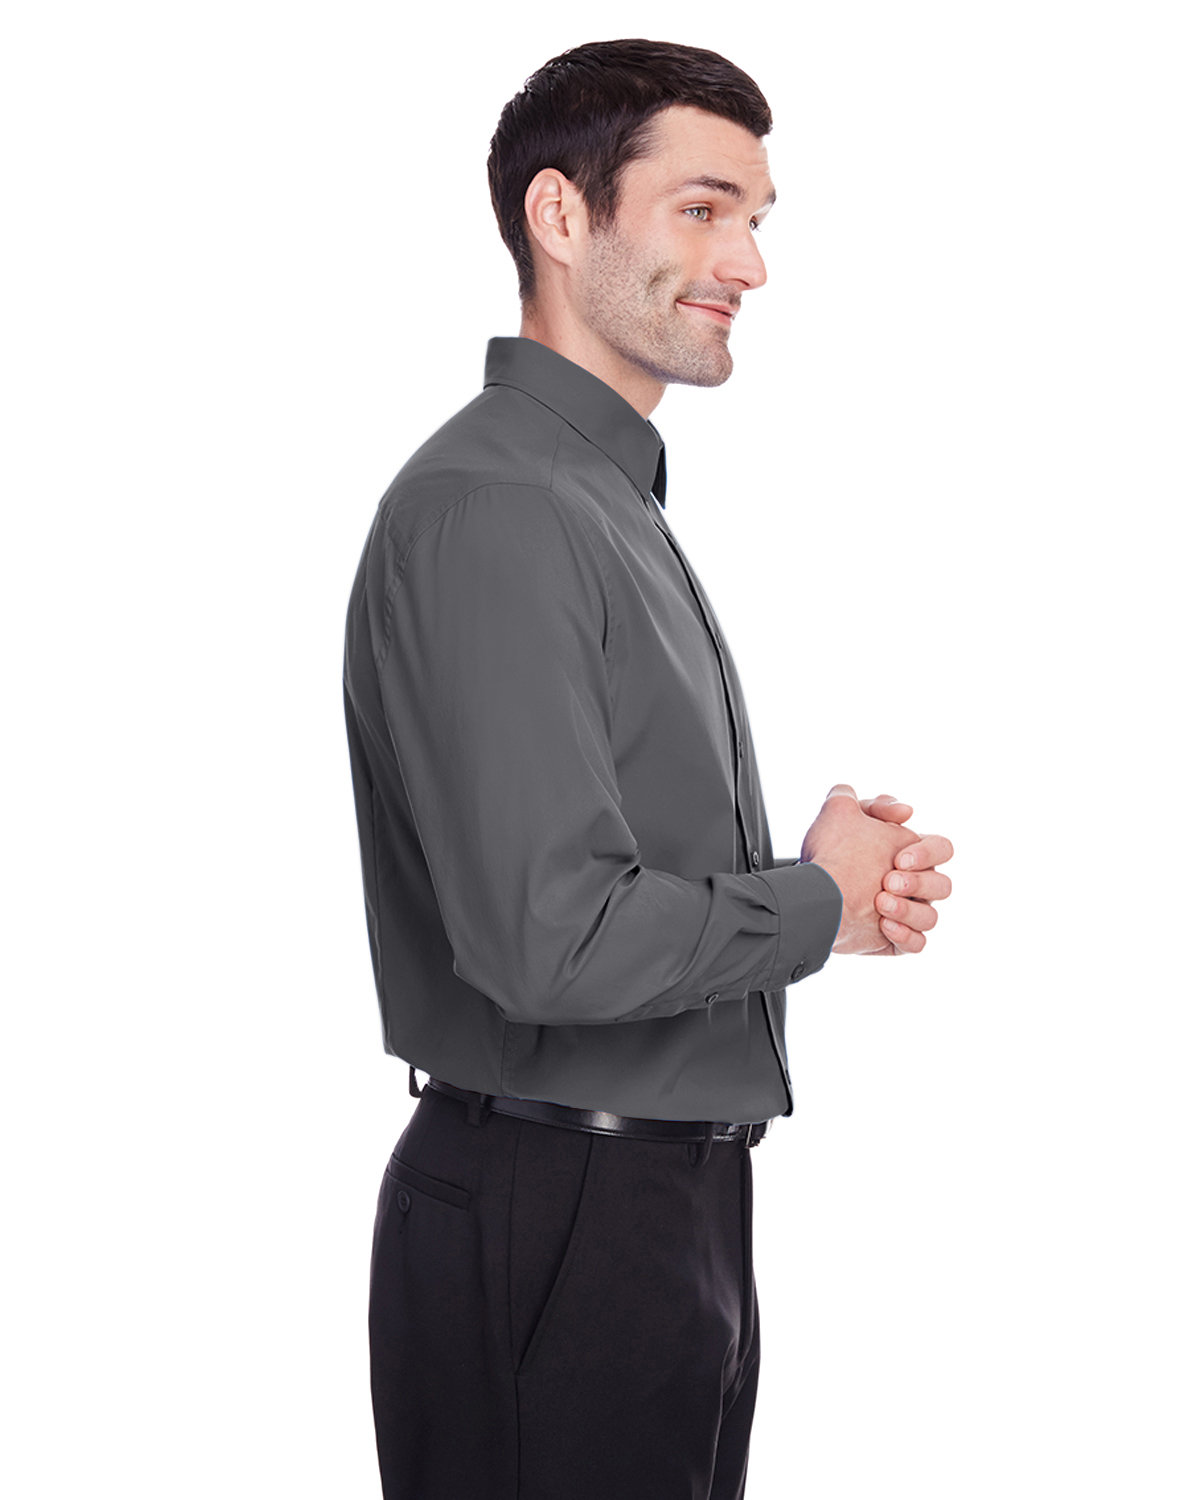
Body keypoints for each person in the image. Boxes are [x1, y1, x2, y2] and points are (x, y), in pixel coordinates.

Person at [342, 37, 954, 1500]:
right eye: (702, 208)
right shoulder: (502, 509)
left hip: (650, 1208)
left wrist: (819, 898)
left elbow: (591, 893)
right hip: (562, 1214)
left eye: (757, 216)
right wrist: (812, 901)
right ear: (561, 216)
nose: (749, 261)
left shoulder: (595, 498)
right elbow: (550, 941)